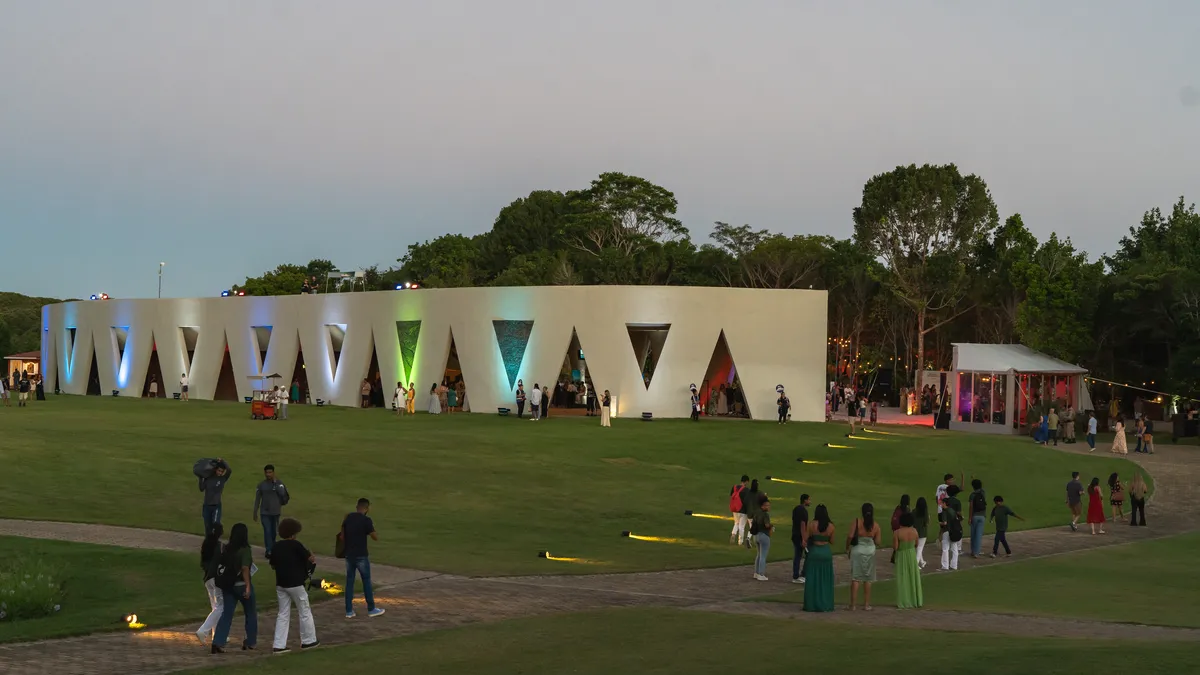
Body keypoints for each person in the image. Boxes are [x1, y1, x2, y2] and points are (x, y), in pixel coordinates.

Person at [270, 518, 319, 652]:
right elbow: (310, 559)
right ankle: (309, 640)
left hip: (281, 584)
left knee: (283, 614)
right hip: (296, 584)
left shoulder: (276, 546)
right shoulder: (296, 545)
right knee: (304, 611)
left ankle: (279, 645)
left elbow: (273, 564)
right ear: (293, 533)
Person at [210, 523, 257, 653]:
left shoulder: (227, 548)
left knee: (227, 614)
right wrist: (248, 587)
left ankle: (218, 642)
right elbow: (245, 568)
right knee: (250, 613)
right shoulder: (245, 549)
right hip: (241, 585)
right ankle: (250, 642)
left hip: (228, 585)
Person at [341, 498, 386, 618]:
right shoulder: (366, 520)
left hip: (349, 555)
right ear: (367, 508)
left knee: (349, 581)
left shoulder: (348, 517)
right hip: (361, 555)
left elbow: (342, 536)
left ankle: (349, 611)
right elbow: (374, 536)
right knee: (366, 581)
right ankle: (371, 609)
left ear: (357, 507)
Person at [847, 503, 881, 610]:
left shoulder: (857, 522)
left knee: (856, 577)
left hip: (858, 549)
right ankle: (866, 605)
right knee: (868, 578)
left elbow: (850, 536)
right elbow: (878, 542)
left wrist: (847, 547)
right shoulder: (875, 525)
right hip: (870, 550)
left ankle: (853, 605)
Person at [195, 523, 224, 645]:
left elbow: (203, 564)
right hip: (217, 579)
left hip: (207, 579)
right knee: (221, 607)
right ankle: (203, 630)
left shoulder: (205, 545)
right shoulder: (219, 546)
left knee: (215, 607)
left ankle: (215, 636)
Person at [802, 505, 835, 613]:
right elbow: (832, 541)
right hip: (825, 552)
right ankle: (825, 603)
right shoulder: (831, 526)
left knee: (812, 578)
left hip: (815, 552)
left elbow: (805, 539)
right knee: (825, 579)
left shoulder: (812, 525)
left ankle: (811, 604)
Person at [252, 464, 290, 558]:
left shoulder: (279, 483)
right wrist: (255, 511)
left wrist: (276, 485)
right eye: (267, 472)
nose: (268, 474)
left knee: (273, 531)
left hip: (275, 512)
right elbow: (257, 499)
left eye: (270, 472)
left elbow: (283, 495)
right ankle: (269, 550)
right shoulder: (261, 485)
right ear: (264, 473)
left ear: (273, 472)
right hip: (264, 512)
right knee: (267, 531)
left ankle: (272, 548)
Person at [893, 512, 923, 609]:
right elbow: (916, 545)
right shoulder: (914, 531)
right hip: (911, 555)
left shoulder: (897, 532)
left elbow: (896, 547)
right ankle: (915, 600)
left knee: (902, 577)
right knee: (913, 577)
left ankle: (904, 601)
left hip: (902, 555)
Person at [200, 458, 231, 534]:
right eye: (219, 470)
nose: (220, 473)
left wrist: (223, 461)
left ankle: (215, 542)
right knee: (207, 526)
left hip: (216, 506)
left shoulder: (222, 479)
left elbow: (229, 470)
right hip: (207, 506)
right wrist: (200, 478)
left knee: (216, 525)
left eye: (222, 471)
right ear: (215, 470)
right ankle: (208, 543)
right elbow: (201, 489)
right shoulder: (208, 478)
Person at [939, 485, 964, 571]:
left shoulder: (945, 512)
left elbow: (945, 523)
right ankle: (954, 566)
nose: (941, 504)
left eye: (942, 503)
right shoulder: (953, 511)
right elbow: (960, 517)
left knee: (945, 549)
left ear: (945, 503)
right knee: (954, 549)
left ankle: (945, 566)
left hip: (947, 531)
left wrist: (940, 523)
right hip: (955, 530)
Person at [750, 495, 774, 581]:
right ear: (762, 506)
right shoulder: (765, 515)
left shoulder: (757, 513)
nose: (768, 507)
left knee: (758, 555)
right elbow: (767, 525)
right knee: (763, 556)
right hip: (764, 535)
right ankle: (761, 574)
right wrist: (772, 526)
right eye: (767, 505)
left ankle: (756, 573)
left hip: (756, 535)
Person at [791, 493, 810, 583]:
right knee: (808, 555)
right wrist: (804, 539)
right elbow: (803, 525)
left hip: (794, 535)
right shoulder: (803, 511)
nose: (810, 501)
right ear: (805, 500)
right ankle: (802, 575)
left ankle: (796, 575)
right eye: (809, 500)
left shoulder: (796, 509)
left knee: (797, 556)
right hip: (800, 536)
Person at [968, 479, 987, 558]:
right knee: (979, 535)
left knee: (973, 534)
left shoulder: (972, 495)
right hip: (982, 516)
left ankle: (973, 551)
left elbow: (971, 507)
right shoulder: (983, 492)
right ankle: (977, 552)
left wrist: (970, 517)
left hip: (974, 516)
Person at [729, 475, 750, 546]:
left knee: (736, 523)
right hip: (743, 510)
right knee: (742, 526)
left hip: (735, 509)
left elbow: (732, 496)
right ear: (746, 481)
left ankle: (733, 533)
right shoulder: (746, 490)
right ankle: (740, 542)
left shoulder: (734, 487)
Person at [889, 495, 910, 564]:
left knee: (897, 544)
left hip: (896, 529)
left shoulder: (898, 508)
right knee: (903, 545)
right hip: (903, 529)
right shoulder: (907, 509)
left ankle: (894, 558)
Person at [912, 497, 930, 569]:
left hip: (914, 532)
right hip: (922, 533)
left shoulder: (913, 511)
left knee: (917, 548)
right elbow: (927, 523)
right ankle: (915, 565)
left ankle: (922, 562)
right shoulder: (925, 513)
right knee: (919, 548)